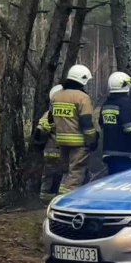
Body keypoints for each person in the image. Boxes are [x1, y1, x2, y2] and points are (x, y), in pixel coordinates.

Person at [50, 65, 97, 195]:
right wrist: (92, 140)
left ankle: (60, 194)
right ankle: (65, 200)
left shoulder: (56, 96)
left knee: (66, 173)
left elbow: (51, 119)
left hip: (61, 141)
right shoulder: (82, 97)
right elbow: (86, 123)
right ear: (82, 79)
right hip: (78, 143)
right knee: (76, 173)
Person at [100, 72, 131, 175]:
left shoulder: (106, 104)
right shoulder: (126, 103)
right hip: (126, 152)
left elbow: (101, 123)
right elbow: (130, 128)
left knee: (113, 181)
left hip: (109, 151)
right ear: (125, 85)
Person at [33, 85, 64, 201]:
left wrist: (38, 145)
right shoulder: (70, 115)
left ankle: (46, 199)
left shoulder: (51, 114)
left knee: (48, 177)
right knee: (63, 177)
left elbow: (41, 130)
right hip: (65, 152)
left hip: (50, 152)